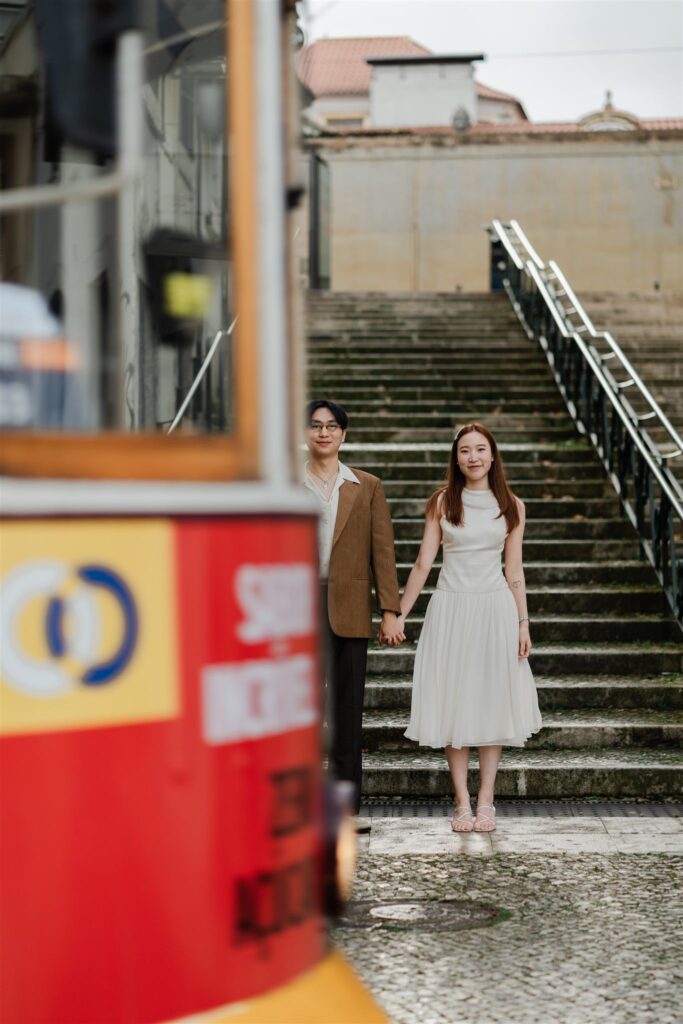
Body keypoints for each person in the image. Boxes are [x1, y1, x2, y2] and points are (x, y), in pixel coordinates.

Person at [397, 423, 542, 832]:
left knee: (492, 701)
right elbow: (424, 564)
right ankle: (461, 800)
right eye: (465, 451)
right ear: (455, 458)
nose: (473, 457)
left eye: (480, 449)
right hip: (451, 609)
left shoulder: (512, 505)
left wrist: (522, 621)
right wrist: (401, 612)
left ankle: (486, 800)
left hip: (495, 609)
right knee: (454, 701)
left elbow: (514, 570)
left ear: (493, 456)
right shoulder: (442, 502)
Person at [304, 399, 404, 821]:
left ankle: (345, 807)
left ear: (343, 434)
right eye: (315, 426)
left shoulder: (367, 486)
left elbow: (382, 552)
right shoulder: (286, 484)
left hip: (349, 611)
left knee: (346, 713)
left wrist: (390, 609)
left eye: (332, 426)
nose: (323, 432)